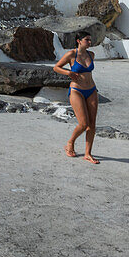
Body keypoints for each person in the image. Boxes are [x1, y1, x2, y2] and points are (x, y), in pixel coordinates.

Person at [53, 33, 100, 164]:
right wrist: (68, 72)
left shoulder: (92, 55)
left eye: (90, 40)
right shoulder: (71, 55)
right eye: (87, 40)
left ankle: (88, 154)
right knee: (83, 123)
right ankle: (70, 142)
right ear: (79, 41)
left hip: (91, 90)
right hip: (76, 90)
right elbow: (56, 67)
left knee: (92, 124)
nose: (89, 42)